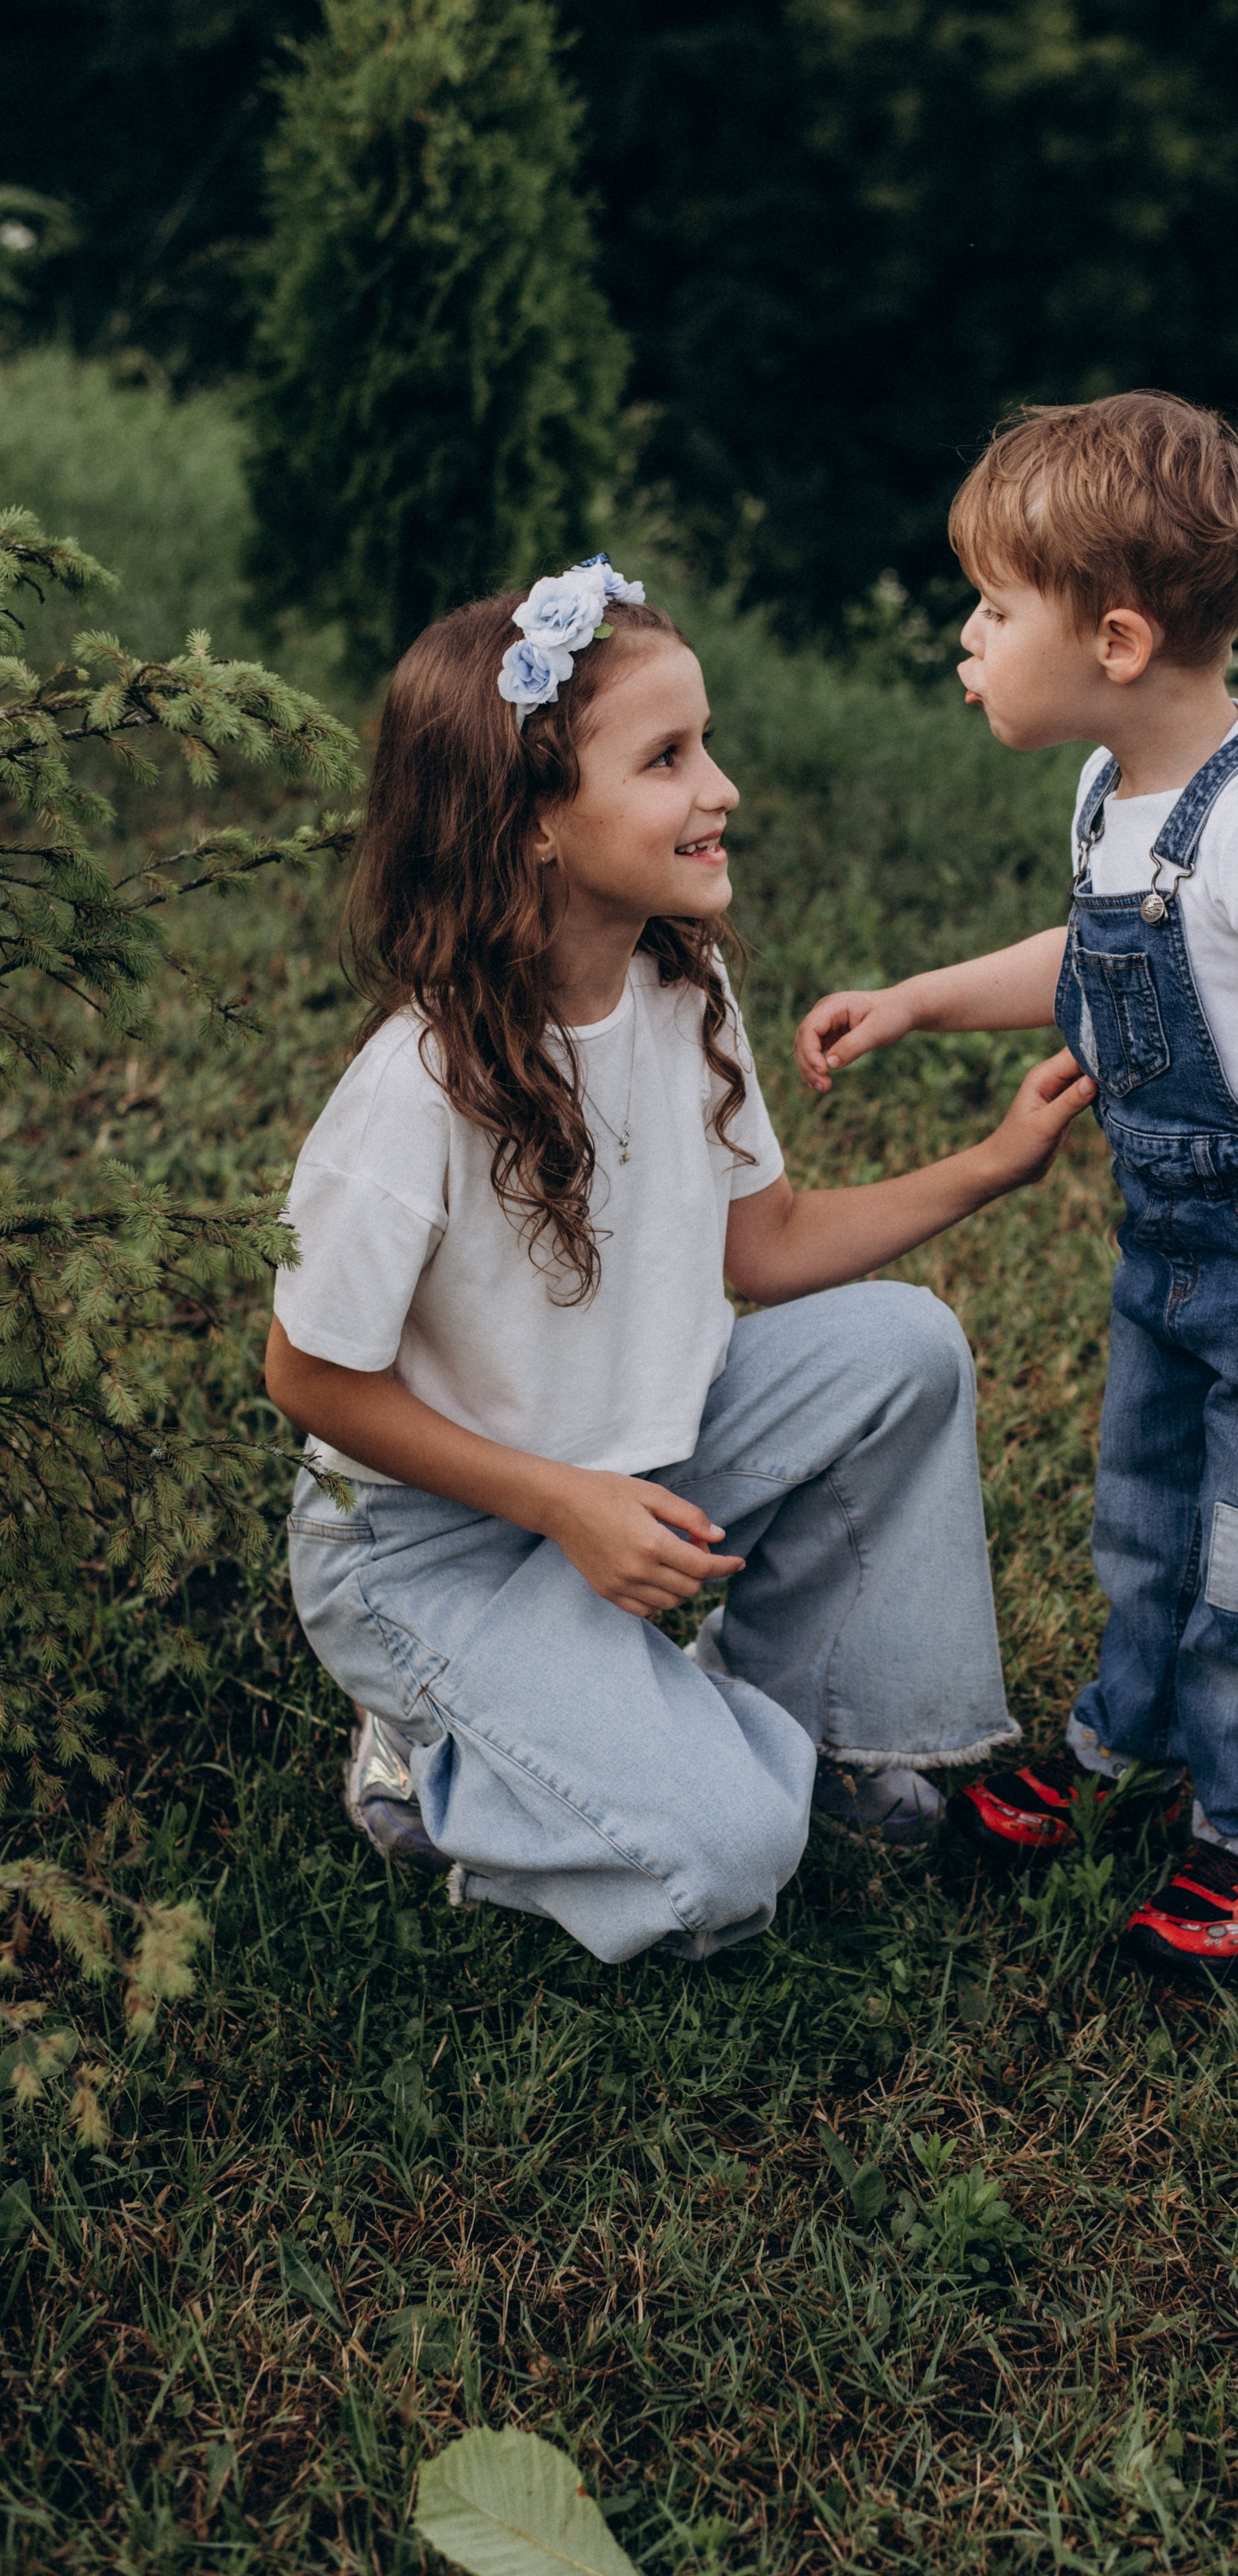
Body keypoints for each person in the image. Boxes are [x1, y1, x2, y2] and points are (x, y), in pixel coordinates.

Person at [266, 558, 1097, 1965]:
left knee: (901, 1349)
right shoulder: (415, 1091)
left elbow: (762, 1249)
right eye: (666, 758)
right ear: (529, 823)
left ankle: (796, 1722)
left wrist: (985, 1166)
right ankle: (431, 1765)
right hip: (428, 1549)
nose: (719, 788)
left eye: (703, 743)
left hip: (626, 1456)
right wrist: (562, 1504)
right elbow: (306, 1377)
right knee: (726, 1863)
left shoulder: (675, 979)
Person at [795, 396, 1238, 1980]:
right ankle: (1119, 1735)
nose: (967, 635)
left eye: (994, 609)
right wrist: (920, 998)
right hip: (1174, 1250)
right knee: (1146, 1509)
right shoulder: (1111, 789)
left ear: (1119, 637)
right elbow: (1093, 959)